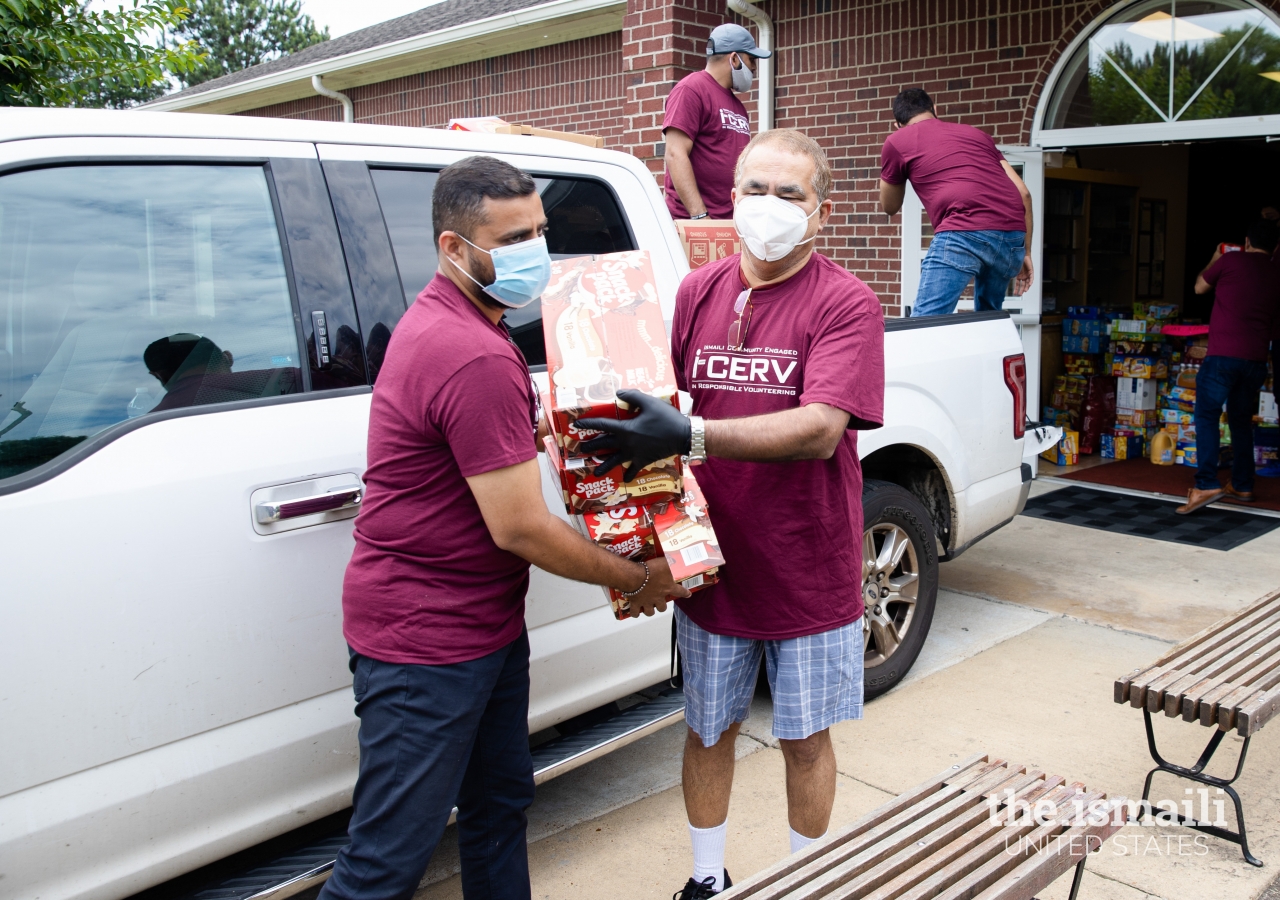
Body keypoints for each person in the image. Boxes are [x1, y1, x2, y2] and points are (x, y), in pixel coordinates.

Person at [319, 155, 688, 900]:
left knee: (499, 807)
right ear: (455, 248)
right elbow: (519, 527)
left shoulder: (449, 320)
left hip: (478, 626)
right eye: (514, 237)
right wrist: (635, 577)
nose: (536, 255)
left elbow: (479, 461)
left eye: (541, 232)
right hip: (428, 640)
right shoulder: (471, 352)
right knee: (385, 862)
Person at [579, 130, 885, 899]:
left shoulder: (845, 302)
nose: (769, 208)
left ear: (822, 213)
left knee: (804, 741)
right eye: (755, 189)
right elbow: (656, 407)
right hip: (711, 566)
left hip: (807, 568)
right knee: (708, 730)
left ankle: (801, 882)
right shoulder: (697, 293)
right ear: (731, 196)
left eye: (790, 194)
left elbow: (820, 430)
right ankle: (706, 878)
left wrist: (695, 434)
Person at [878, 88, 1034, 316]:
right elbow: (1024, 193)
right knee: (989, 319)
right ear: (935, 110)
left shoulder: (897, 141)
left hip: (963, 230)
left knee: (925, 324)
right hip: (1011, 237)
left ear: (897, 124)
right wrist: (1025, 253)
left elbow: (890, 207)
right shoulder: (978, 135)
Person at [1177, 219, 1280, 515]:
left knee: (1207, 415)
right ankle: (1243, 483)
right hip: (1256, 359)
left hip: (1222, 356)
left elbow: (1199, 287)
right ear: (1275, 247)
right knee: (1240, 421)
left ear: (1246, 241)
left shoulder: (1231, 260)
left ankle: (1207, 483)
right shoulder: (1276, 272)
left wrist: (1216, 256)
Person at [662, 23, 771, 222]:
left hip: (729, 222)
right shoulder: (691, 89)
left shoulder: (738, 106)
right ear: (735, 58)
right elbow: (674, 153)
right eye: (752, 59)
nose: (754, 67)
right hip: (694, 223)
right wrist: (699, 216)